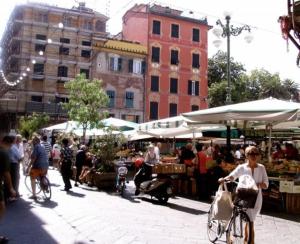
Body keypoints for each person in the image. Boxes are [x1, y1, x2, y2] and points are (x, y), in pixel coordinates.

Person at [219, 145, 269, 244]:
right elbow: (232, 176)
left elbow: (266, 184)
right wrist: (224, 179)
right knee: (248, 220)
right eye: (251, 153)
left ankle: (247, 241)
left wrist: (258, 184)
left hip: (256, 198)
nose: (254, 156)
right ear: (246, 155)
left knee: (250, 220)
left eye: (256, 153)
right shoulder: (241, 167)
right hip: (242, 196)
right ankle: (246, 241)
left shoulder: (261, 168)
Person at [0, 134, 17, 243]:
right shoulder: (4, 153)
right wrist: (11, 188)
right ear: (11, 143)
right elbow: (6, 173)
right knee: (1, 207)